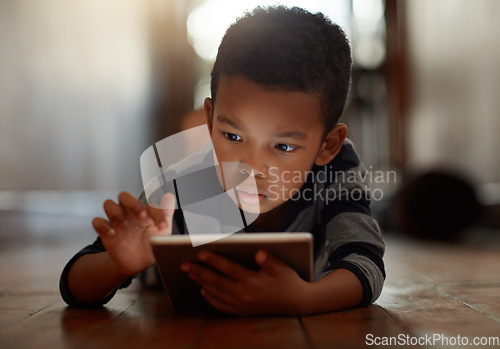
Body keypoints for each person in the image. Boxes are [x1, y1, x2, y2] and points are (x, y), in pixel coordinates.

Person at [60, 6, 385, 316]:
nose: (251, 167)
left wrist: (303, 299)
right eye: (233, 136)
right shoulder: (175, 190)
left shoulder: (335, 169)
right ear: (211, 119)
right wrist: (119, 264)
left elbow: (364, 263)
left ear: (327, 146)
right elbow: (75, 286)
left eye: (284, 147)